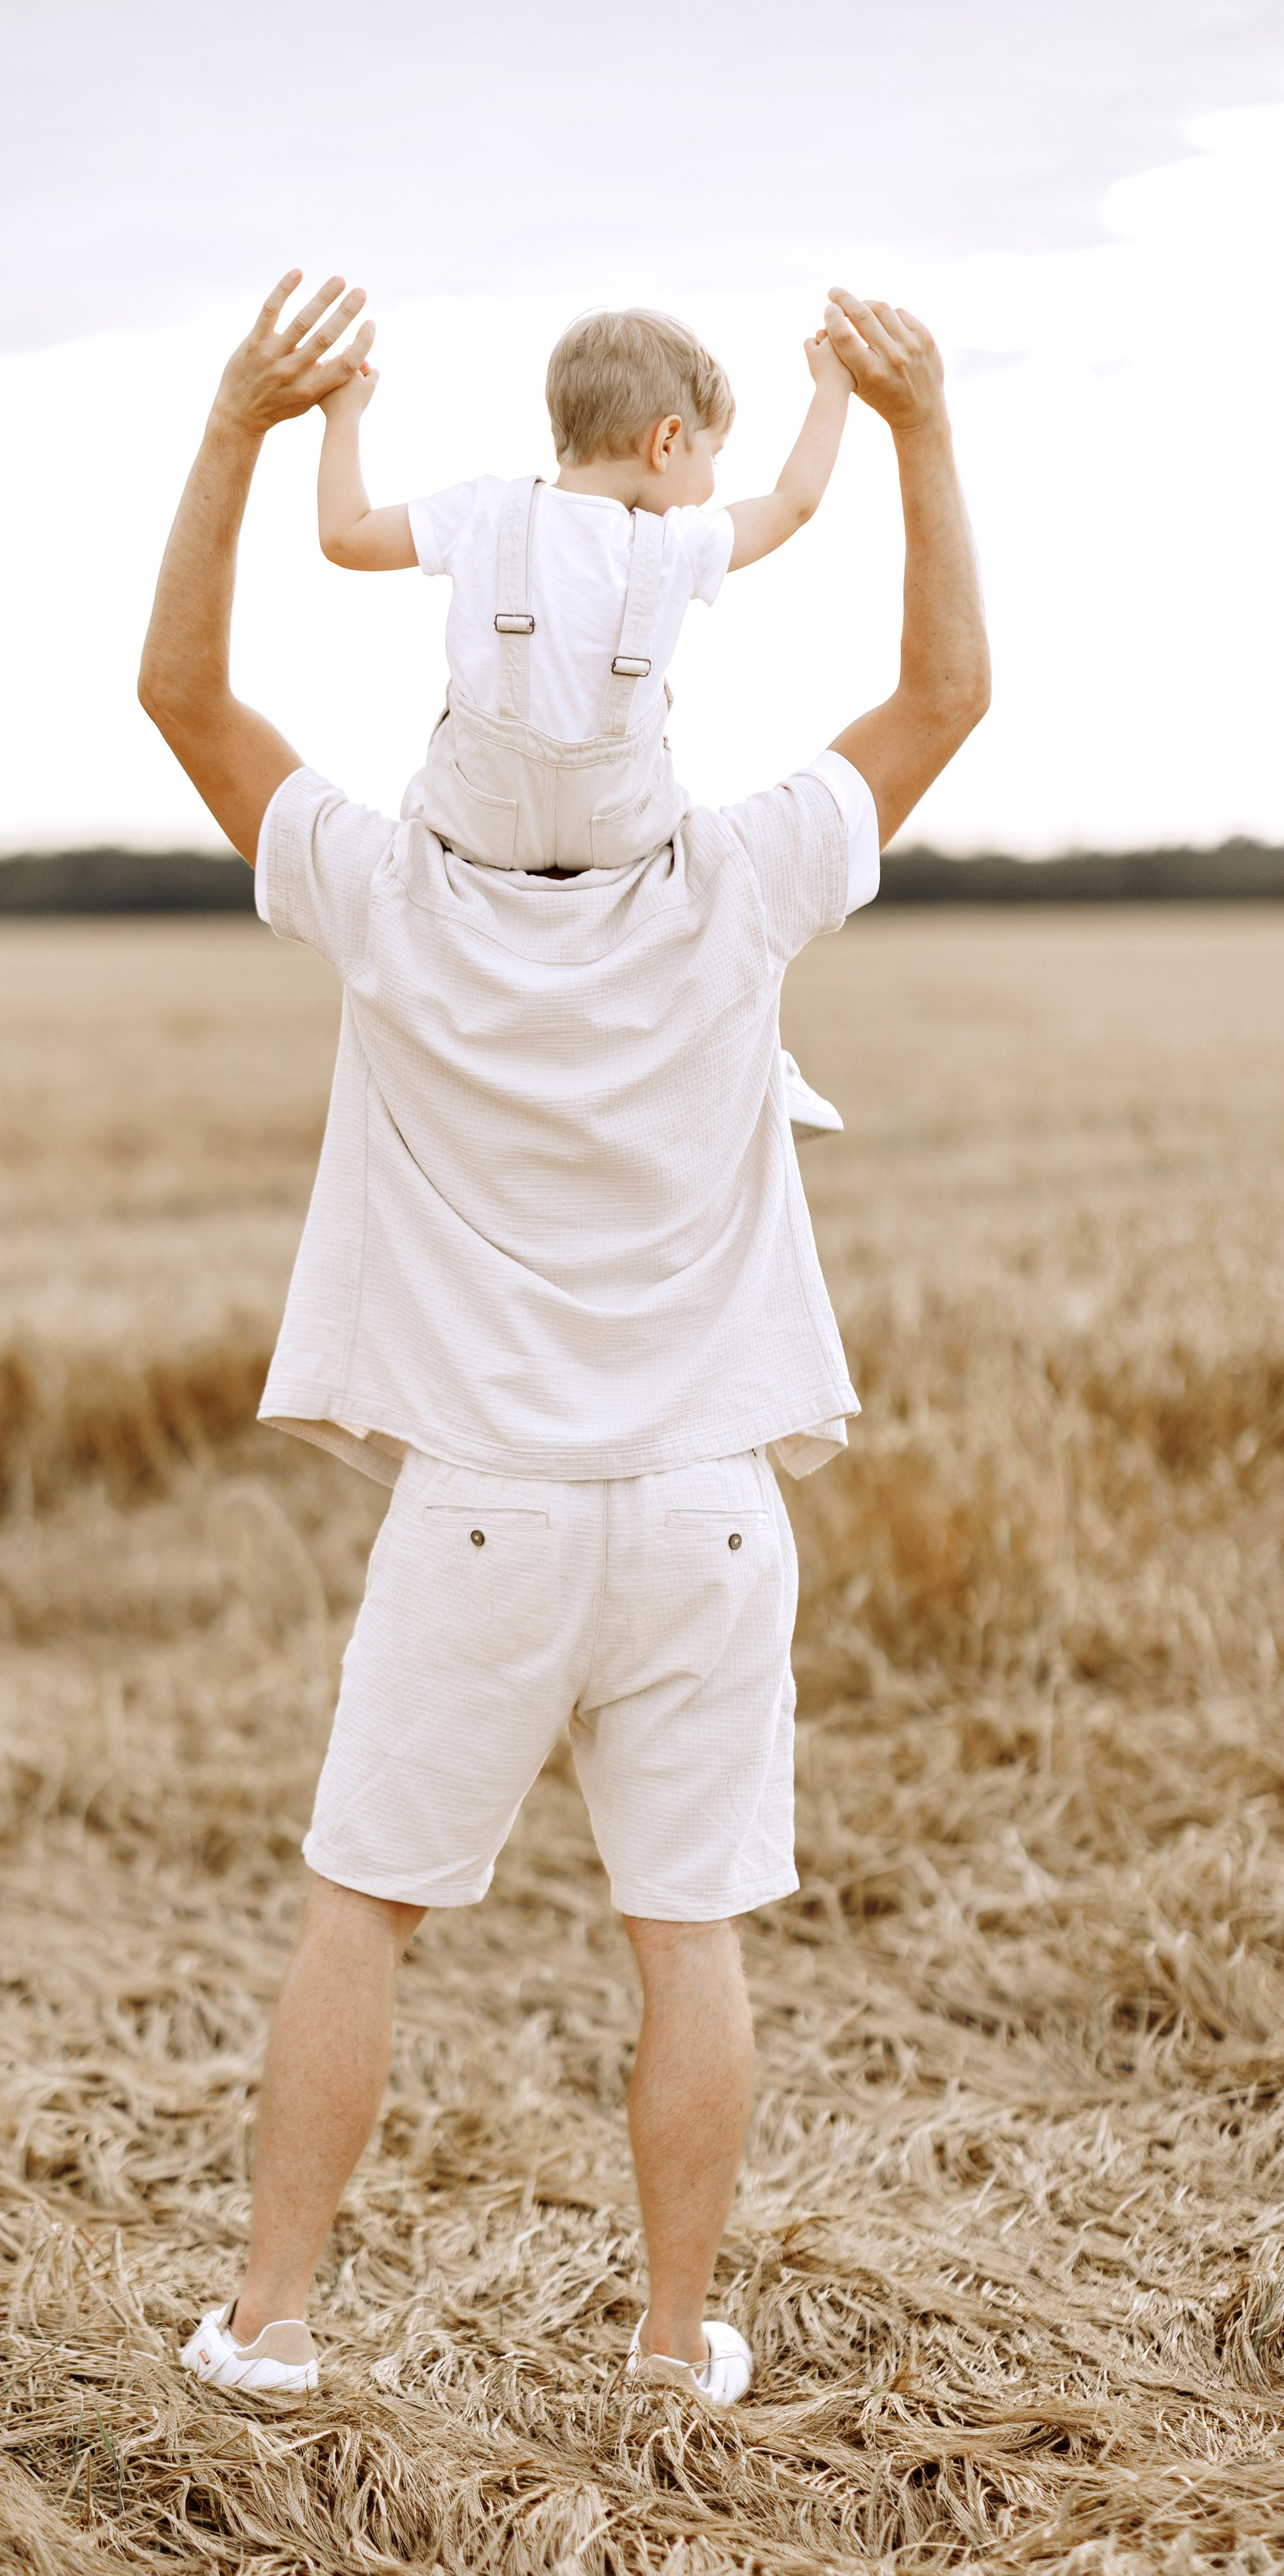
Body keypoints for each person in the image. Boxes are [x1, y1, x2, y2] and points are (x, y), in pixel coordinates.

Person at [138, 272, 988, 2414]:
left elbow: (182, 689)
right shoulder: (740, 879)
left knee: (364, 1914)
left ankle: (273, 2329)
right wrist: (919, 424)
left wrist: (249, 421)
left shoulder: (392, 891)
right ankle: (678, 2335)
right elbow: (946, 691)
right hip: (713, 1510)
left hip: (487, 1513)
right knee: (682, 1935)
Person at [315, 304, 850, 1143]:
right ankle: (752, 1063)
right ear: (666, 442)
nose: (712, 480)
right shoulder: (677, 545)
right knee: (712, 892)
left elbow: (343, 536)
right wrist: (833, 388)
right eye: (714, 453)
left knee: (416, 870)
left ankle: (434, 1061)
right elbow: (794, 502)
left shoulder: (482, 511)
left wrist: (342, 415)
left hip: (477, 827)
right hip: (621, 835)